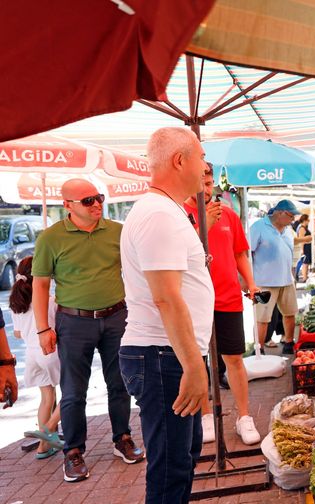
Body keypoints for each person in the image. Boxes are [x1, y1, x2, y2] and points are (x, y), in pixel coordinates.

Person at [120, 127, 213, 503]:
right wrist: (193, 365)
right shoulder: (158, 214)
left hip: (166, 354)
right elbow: (167, 298)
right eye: (202, 157)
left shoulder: (165, 210)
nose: (206, 166)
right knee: (171, 467)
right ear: (180, 160)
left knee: (183, 457)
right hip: (162, 356)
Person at [32, 177, 144, 483]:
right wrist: (43, 329)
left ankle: (122, 438)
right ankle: (73, 451)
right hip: (73, 321)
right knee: (73, 392)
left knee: (120, 383)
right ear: (67, 205)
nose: (97, 205)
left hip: (116, 316)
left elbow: (139, 268)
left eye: (99, 198)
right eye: (88, 201)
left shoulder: (118, 231)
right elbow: (40, 285)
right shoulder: (50, 238)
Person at [183, 165, 262, 446]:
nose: (207, 189)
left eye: (209, 183)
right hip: (194, 301)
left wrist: (250, 283)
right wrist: (205, 225)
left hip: (228, 297)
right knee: (199, 360)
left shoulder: (228, 213)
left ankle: (244, 417)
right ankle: (206, 415)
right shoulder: (180, 215)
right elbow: (181, 252)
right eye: (201, 183)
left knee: (234, 358)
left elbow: (240, 253)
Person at [10, 257, 62, 459]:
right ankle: (48, 430)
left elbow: (17, 334)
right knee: (72, 393)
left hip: (31, 355)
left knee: (47, 399)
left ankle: (43, 447)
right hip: (50, 352)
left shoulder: (17, 304)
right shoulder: (49, 301)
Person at [249, 200, 309, 355]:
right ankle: (259, 348)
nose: (293, 220)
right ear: (280, 213)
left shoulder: (287, 230)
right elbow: (247, 253)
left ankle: (289, 342)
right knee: (263, 317)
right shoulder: (258, 227)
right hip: (264, 281)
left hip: (286, 279)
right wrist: (246, 280)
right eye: (291, 216)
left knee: (290, 312)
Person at [296, 214, 313, 282]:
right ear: (304, 220)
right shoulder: (302, 228)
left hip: (308, 246)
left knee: (307, 262)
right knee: (305, 263)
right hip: (305, 247)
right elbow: (301, 240)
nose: (308, 222)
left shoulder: (304, 227)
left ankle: (306, 276)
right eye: (308, 220)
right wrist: (302, 249)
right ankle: (304, 278)